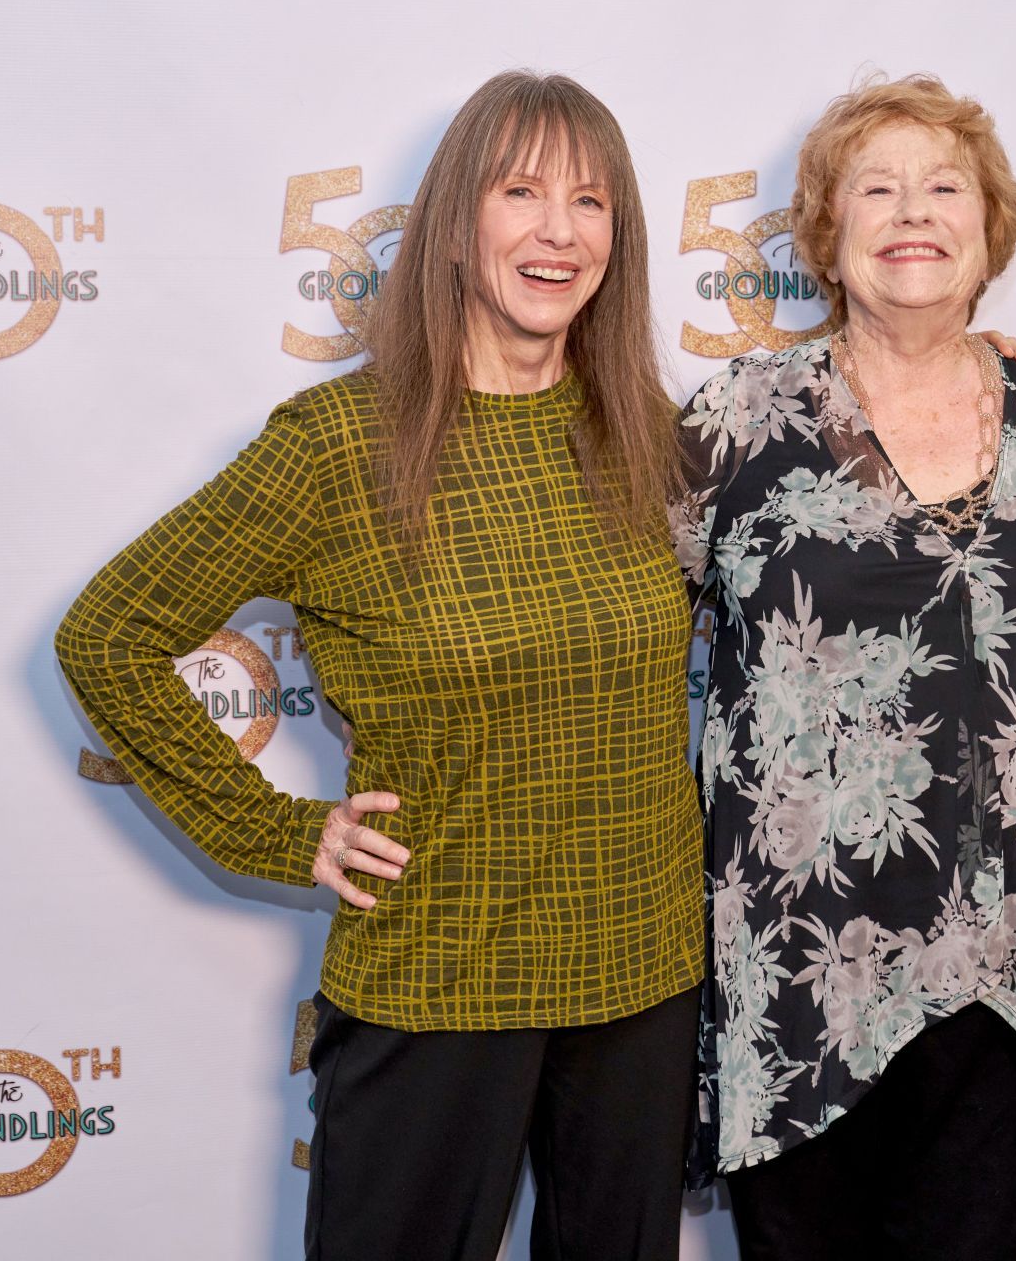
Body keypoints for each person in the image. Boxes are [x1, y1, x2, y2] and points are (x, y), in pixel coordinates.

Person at [55, 71, 702, 1261]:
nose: (559, 230)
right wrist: (275, 828)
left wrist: (970, 355)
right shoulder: (339, 443)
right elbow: (110, 634)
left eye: (592, 202)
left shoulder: (651, 434)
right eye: (522, 192)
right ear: (459, 226)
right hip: (441, 976)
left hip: (645, 972)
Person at [673, 74, 1016, 1260]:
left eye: (942, 186)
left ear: (990, 229)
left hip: (1010, 964)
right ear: (828, 232)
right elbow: (616, 636)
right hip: (802, 963)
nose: (911, 211)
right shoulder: (739, 419)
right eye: (876, 187)